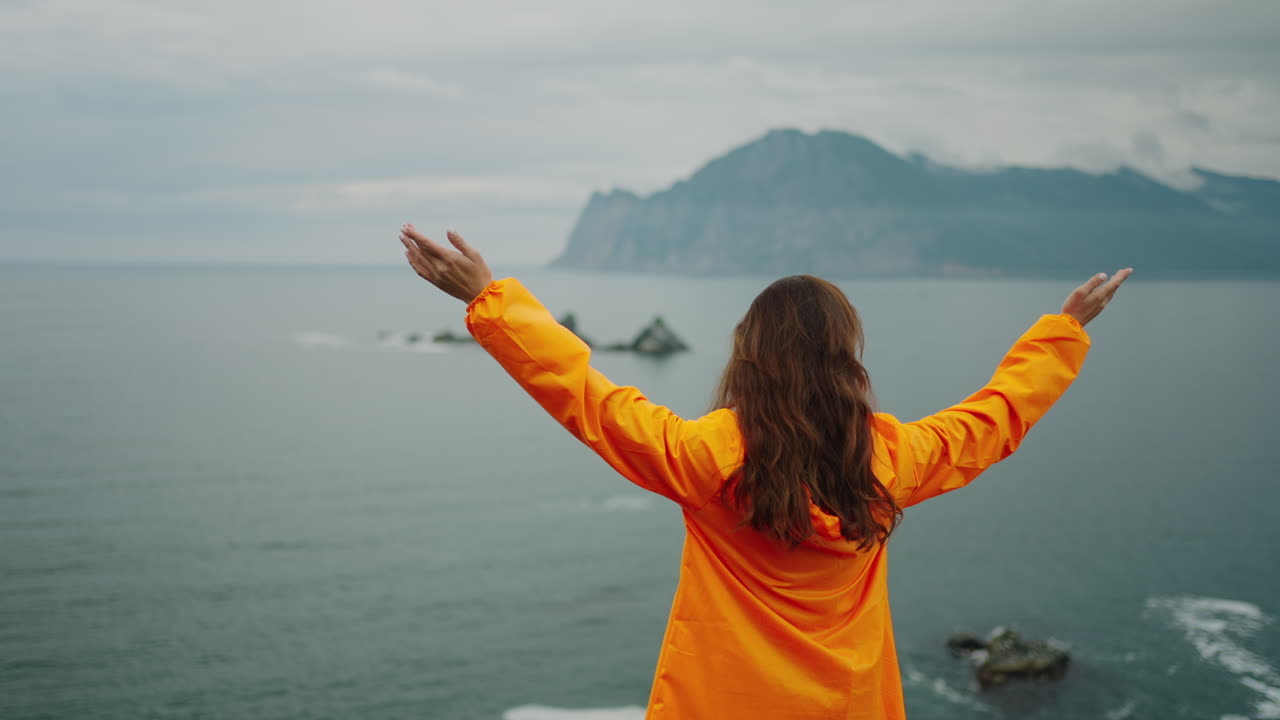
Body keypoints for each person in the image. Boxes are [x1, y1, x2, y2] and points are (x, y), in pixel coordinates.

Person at [398, 224, 1131, 720]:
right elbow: (996, 418)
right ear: (847, 361)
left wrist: (487, 300)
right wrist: (1061, 332)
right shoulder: (890, 462)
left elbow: (586, 396)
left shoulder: (705, 460)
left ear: (750, 356)